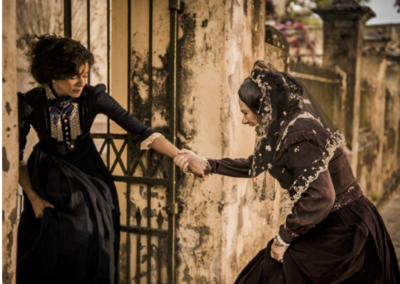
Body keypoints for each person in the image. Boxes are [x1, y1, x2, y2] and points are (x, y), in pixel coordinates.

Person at [174, 60, 400, 283]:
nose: (244, 120)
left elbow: (322, 196)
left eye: (245, 113)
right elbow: (256, 164)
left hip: (345, 230)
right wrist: (207, 164)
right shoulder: (285, 128)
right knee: (264, 273)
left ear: (263, 108)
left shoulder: (300, 133)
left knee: (269, 274)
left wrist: (283, 238)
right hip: (324, 222)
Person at [17, 34, 192, 284]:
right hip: (49, 177)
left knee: (95, 235)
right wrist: (33, 197)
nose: (81, 82)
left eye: (85, 74)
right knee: (54, 244)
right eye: (74, 75)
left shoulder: (93, 97)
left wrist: (181, 155)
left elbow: (141, 130)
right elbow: (15, 158)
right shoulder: (31, 103)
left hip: (89, 174)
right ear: (53, 74)